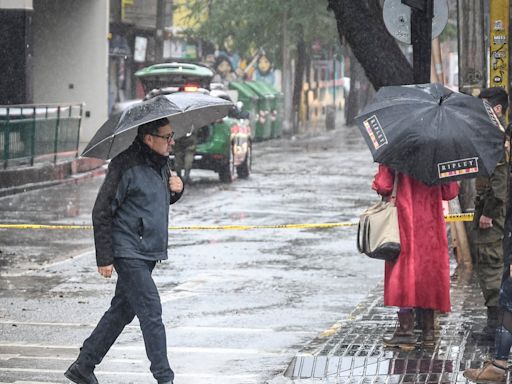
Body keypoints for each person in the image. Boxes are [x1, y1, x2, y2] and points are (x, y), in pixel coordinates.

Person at [64, 118, 184, 384]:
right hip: (128, 250)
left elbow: (154, 201)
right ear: (148, 138)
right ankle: (165, 378)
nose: (171, 141)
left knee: (122, 310)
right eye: (166, 137)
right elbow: (102, 210)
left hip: (147, 250)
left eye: (172, 136)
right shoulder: (125, 164)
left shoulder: (163, 164)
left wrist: (177, 190)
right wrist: (105, 257)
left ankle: (83, 366)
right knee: (151, 311)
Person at [372, 164, 459, 349]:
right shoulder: (440, 153)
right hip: (431, 226)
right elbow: (450, 191)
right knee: (429, 272)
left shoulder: (396, 151)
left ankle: (405, 331)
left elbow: (383, 186)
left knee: (404, 273)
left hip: (405, 222)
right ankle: (428, 332)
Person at [471, 87, 509, 342]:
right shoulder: (494, 134)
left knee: (491, 266)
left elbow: (500, 183)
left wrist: (489, 214)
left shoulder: (497, 137)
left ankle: (495, 327)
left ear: (497, 109)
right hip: (492, 211)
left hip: (493, 215)